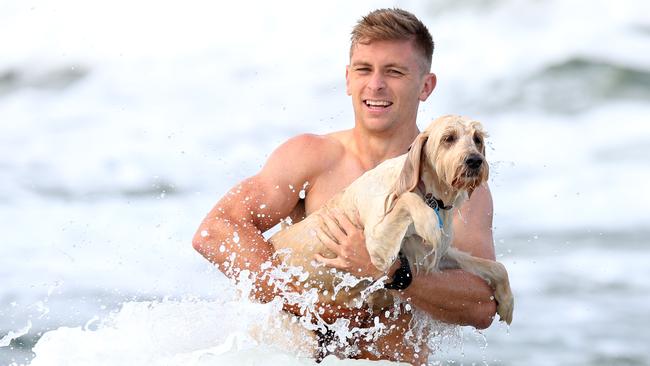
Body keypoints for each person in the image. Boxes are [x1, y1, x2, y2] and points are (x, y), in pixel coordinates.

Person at [193, 8, 497, 364]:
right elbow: (216, 231)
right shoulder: (313, 157)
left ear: (426, 86)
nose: (376, 85)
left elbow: (482, 306)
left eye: (394, 72)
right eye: (364, 70)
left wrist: (391, 274)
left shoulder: (456, 186)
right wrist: (300, 301)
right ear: (348, 78)